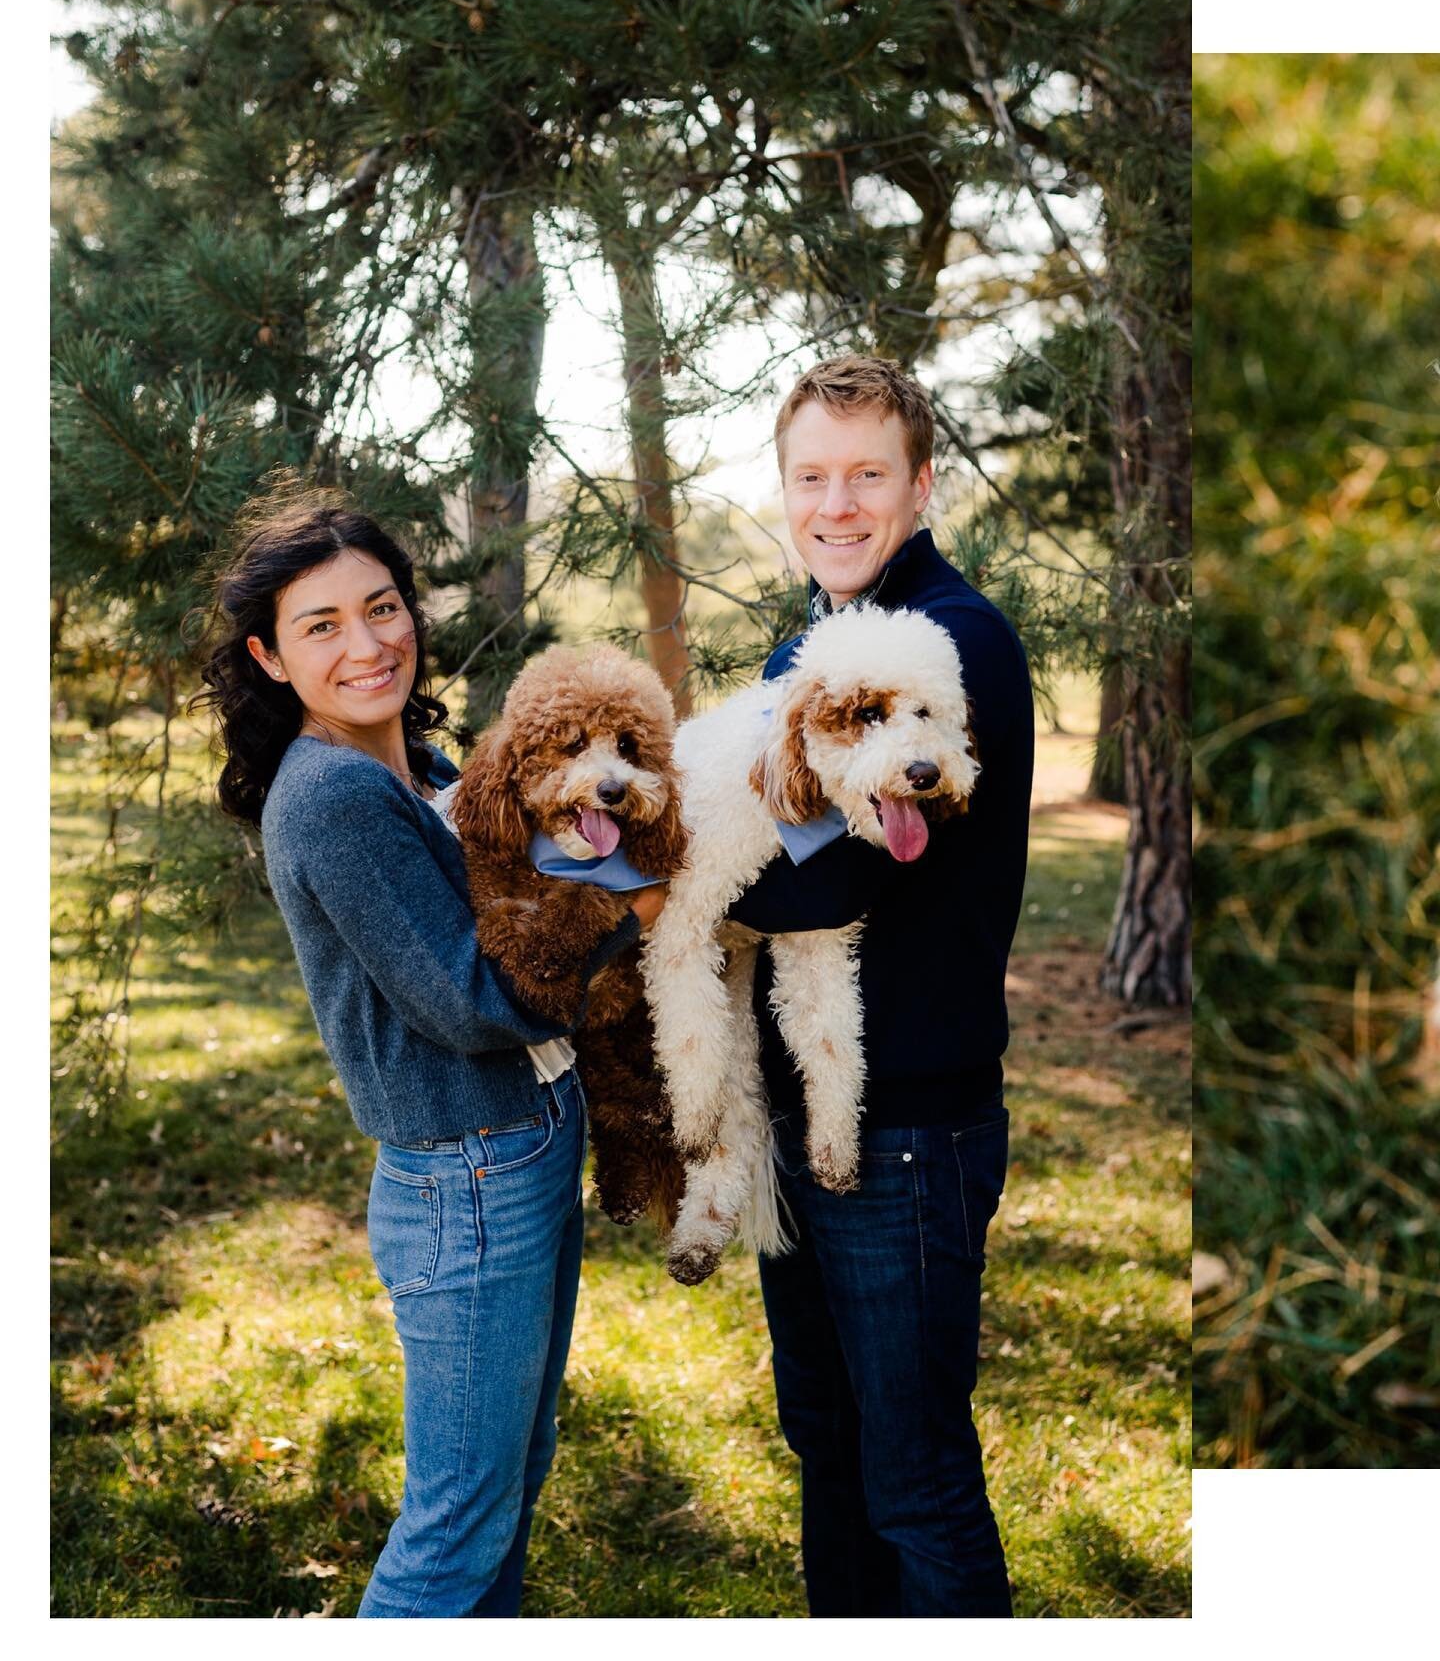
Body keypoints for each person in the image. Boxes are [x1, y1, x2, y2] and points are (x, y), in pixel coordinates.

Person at [196, 493, 665, 1618]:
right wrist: (636, 910)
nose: (367, 645)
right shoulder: (334, 796)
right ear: (268, 656)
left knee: (507, 1487)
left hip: (523, 1146)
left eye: (383, 607)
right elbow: (471, 998)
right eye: (321, 626)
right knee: (456, 1522)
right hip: (470, 1174)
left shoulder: (415, 762)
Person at [728, 355, 1034, 1617]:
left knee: (913, 1481)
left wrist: (657, 887)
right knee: (831, 1453)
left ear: (920, 485)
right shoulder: (809, 650)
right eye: (813, 477)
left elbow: (819, 885)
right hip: (808, 1114)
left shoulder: (947, 647)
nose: (837, 504)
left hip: (906, 1126)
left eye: (867, 475)